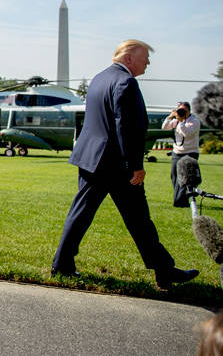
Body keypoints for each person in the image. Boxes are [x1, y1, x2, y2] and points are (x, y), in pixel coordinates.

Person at [51, 39, 198, 289]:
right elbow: (126, 127)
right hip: (116, 164)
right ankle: (164, 270)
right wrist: (135, 165)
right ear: (129, 57)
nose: (148, 63)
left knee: (82, 214)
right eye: (145, 58)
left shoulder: (99, 79)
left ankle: (62, 264)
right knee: (139, 218)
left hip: (91, 159)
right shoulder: (126, 82)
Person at [162, 101, 201, 207]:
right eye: (180, 110)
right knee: (174, 176)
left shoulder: (194, 121)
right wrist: (170, 117)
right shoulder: (176, 120)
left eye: (184, 110)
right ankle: (180, 199)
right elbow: (164, 127)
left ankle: (179, 201)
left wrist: (181, 122)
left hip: (190, 152)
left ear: (189, 111)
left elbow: (187, 133)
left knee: (185, 177)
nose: (182, 112)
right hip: (177, 152)